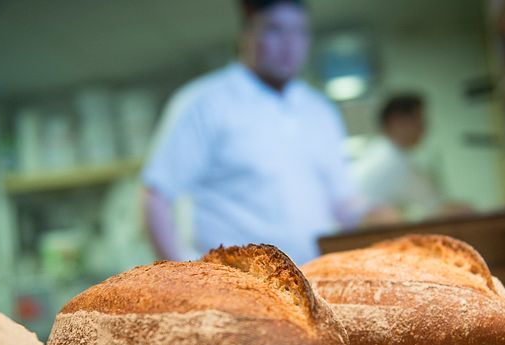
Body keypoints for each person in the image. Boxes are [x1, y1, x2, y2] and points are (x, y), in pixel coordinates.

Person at [141, 0, 364, 264]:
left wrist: (373, 215)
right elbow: (156, 196)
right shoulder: (204, 103)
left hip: (314, 277)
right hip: (237, 288)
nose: (289, 43)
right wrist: (180, 275)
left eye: (300, 31)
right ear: (246, 35)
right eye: (275, 29)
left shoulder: (321, 111)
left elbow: (342, 201)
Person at [352, 94, 463, 222]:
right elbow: (438, 209)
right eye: (419, 119)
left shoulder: (379, 152)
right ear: (396, 120)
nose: (424, 127)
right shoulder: (390, 162)